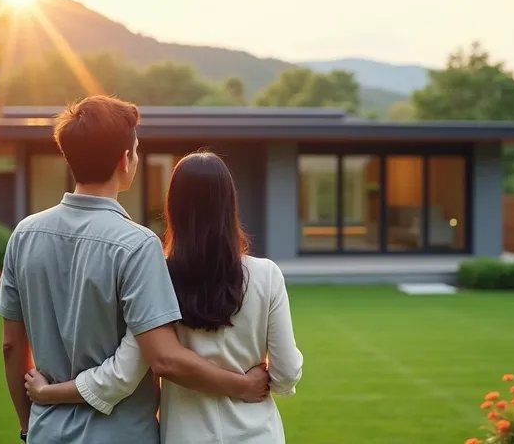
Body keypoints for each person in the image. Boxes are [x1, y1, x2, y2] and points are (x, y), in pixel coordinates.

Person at [0, 96, 270, 444]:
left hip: (46, 432)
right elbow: (164, 358)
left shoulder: (24, 235)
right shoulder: (138, 245)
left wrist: (28, 425)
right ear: (126, 161)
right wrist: (243, 385)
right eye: (136, 150)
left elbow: (10, 345)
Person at [24, 151, 304, 444]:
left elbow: (124, 373)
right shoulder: (266, 275)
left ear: (174, 208)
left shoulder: (157, 276)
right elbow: (286, 374)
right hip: (258, 435)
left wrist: (48, 393)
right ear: (229, 205)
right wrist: (252, 378)